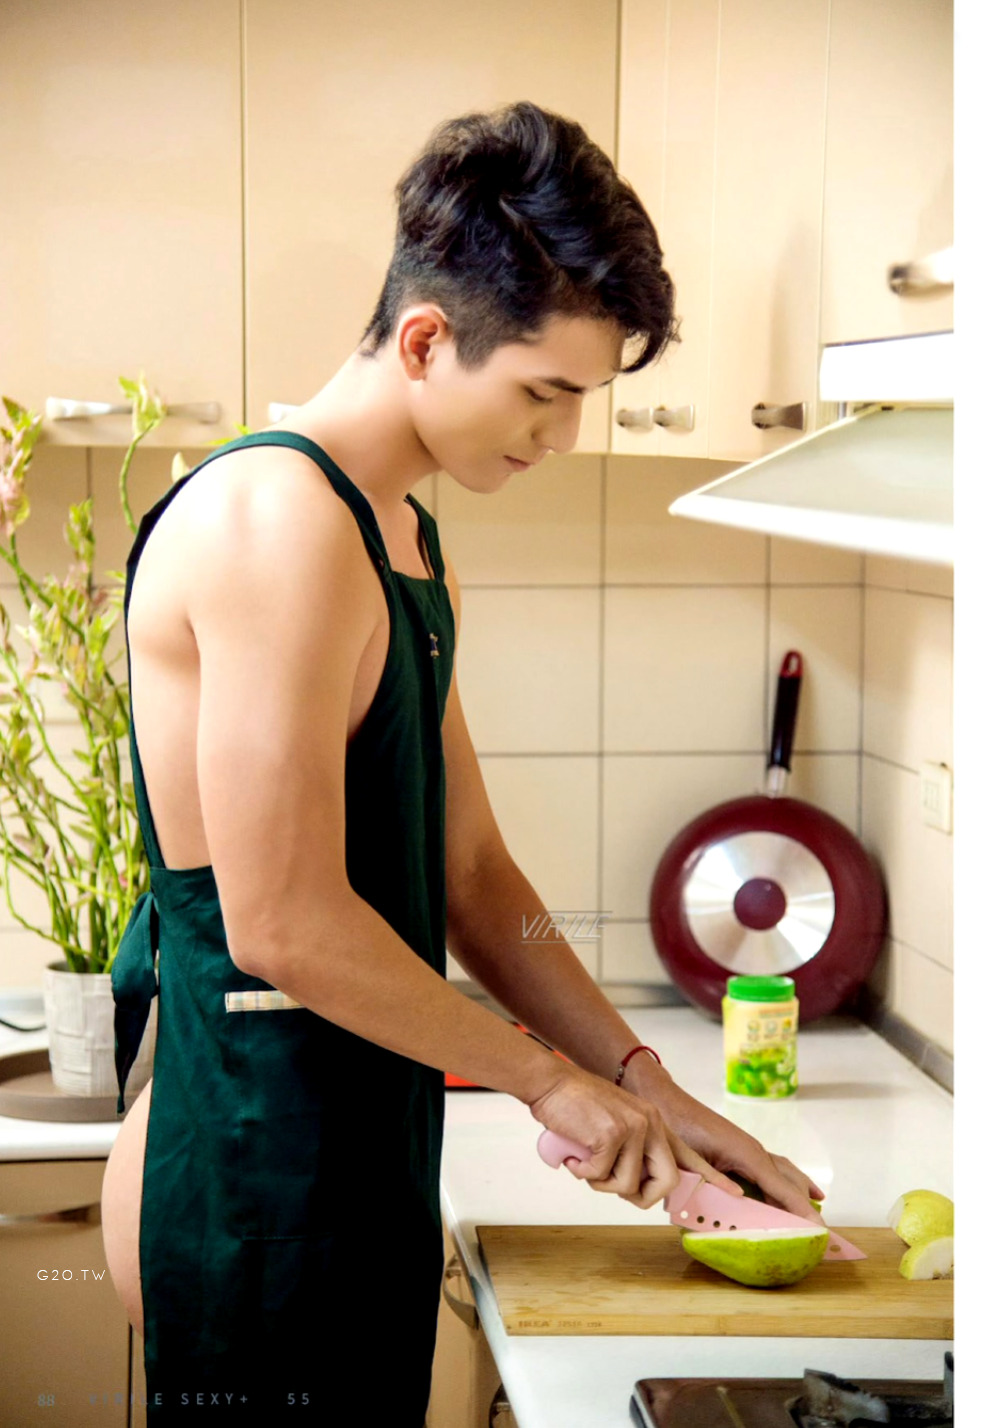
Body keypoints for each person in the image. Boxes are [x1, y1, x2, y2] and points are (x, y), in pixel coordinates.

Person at [103, 100, 824, 1425]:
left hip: (354, 1155)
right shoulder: (275, 523)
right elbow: (281, 921)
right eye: (545, 393)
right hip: (251, 1167)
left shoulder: (394, 530)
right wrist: (543, 1077)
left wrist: (646, 1085)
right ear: (428, 340)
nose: (562, 437)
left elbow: (477, 876)